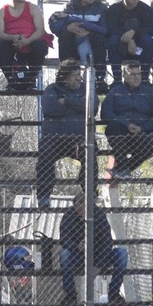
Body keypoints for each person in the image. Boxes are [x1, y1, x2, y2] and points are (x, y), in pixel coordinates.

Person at [35, 60, 91, 206]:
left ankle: (89, 194)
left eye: (80, 74)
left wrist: (66, 101)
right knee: (45, 154)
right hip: (54, 139)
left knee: (90, 151)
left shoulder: (86, 88)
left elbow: (93, 107)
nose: (79, 78)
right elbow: (49, 108)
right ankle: (43, 197)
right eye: (75, 75)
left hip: (78, 140)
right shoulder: (52, 89)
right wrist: (78, 106)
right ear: (64, 77)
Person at [57, 193, 127, 306]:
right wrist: (76, 246)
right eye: (77, 210)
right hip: (79, 256)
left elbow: (107, 241)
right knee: (64, 254)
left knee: (122, 253)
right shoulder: (69, 214)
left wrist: (99, 265)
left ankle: (114, 294)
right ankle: (70, 296)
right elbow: (63, 238)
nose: (80, 212)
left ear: (88, 206)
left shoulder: (99, 214)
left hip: (99, 256)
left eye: (82, 209)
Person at [100, 59, 153, 180]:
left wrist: (143, 128)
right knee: (113, 129)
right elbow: (106, 113)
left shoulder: (149, 92)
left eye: (138, 74)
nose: (136, 77)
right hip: (122, 131)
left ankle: (123, 169)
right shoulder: (116, 91)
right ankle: (123, 169)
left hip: (144, 132)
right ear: (125, 75)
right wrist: (125, 123)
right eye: (132, 74)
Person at [49, 0, 109, 86]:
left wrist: (88, 31)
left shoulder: (101, 8)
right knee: (65, 36)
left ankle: (99, 78)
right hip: (73, 45)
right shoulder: (69, 7)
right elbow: (55, 27)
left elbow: (105, 29)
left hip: (93, 44)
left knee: (99, 38)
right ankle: (66, 75)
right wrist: (68, 28)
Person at [0, 0, 49, 92]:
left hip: (30, 41)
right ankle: (11, 79)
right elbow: (0, 33)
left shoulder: (33, 8)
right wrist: (13, 38)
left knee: (40, 45)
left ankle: (31, 79)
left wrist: (27, 41)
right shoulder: (3, 10)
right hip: (12, 43)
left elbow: (40, 30)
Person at [105, 0, 153, 86]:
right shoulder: (114, 9)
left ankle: (145, 80)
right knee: (112, 41)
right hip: (121, 49)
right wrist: (129, 40)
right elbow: (111, 28)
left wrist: (134, 33)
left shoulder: (145, 9)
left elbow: (150, 28)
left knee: (148, 40)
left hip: (138, 51)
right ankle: (117, 80)